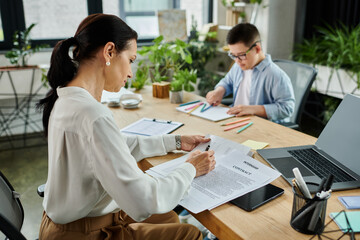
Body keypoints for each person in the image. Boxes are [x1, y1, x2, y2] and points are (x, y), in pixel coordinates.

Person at [37, 13, 216, 240]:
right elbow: (142, 201)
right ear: (109, 52)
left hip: (61, 224)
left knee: (168, 217)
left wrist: (176, 142)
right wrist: (191, 168)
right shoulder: (93, 115)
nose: (131, 72)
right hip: (81, 233)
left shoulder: (66, 97)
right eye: (130, 60)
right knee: (188, 234)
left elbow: (115, 146)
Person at [206, 23, 295, 123]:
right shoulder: (238, 66)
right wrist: (219, 91)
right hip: (235, 120)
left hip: (259, 126)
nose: (237, 61)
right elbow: (227, 82)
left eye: (241, 55)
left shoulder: (275, 75)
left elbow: (287, 108)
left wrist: (252, 109)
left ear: (257, 49)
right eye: (233, 55)